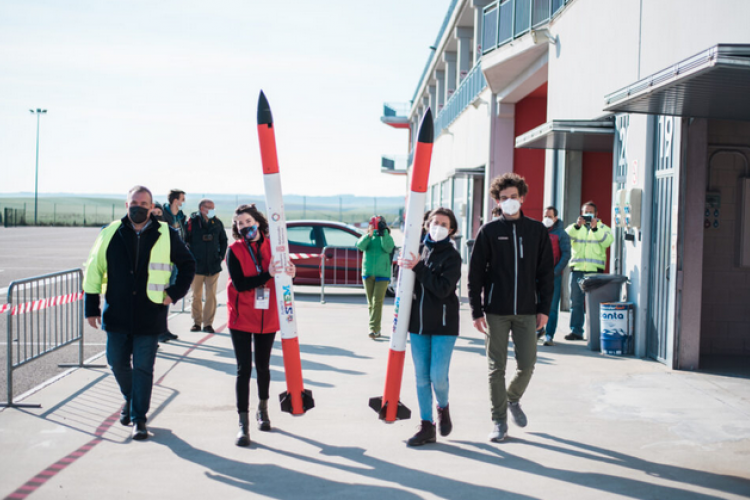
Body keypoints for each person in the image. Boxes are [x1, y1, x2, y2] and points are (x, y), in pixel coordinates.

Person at [83, 186, 195, 441]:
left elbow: (188, 264)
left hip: (150, 313)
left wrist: (174, 292)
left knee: (144, 368)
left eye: (144, 203)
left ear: (151, 206)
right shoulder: (110, 232)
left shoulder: (167, 233)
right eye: (134, 202)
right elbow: (93, 270)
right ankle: (131, 399)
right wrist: (91, 307)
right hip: (117, 314)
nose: (139, 207)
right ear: (126, 205)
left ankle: (139, 419)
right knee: (116, 362)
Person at [467, 173, 554, 443]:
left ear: (522, 198)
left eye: (514, 197)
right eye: (504, 198)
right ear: (497, 201)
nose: (509, 202)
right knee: (496, 368)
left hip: (528, 311)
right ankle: (499, 421)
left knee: (527, 364)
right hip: (496, 311)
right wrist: (476, 311)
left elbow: (546, 274)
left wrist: (544, 309)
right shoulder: (489, 232)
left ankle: (512, 399)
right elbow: (475, 275)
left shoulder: (537, 230)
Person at [226, 204, 295, 447]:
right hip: (242, 316)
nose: (245, 226)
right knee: (244, 369)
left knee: (263, 367)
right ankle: (243, 424)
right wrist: (267, 274)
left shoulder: (275, 246)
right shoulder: (233, 250)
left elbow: (284, 274)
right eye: (240, 223)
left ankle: (262, 411)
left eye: (248, 221)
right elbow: (241, 283)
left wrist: (289, 272)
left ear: (257, 221)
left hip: (268, 316)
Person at [398, 208, 462, 446]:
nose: (438, 226)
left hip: (444, 324)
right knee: (421, 377)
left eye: (444, 223)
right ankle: (427, 426)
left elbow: (443, 288)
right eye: (434, 222)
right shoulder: (416, 250)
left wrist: (418, 268)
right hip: (418, 324)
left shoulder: (452, 257)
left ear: (452, 229)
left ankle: (442, 408)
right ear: (426, 224)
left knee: (438, 376)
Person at [564, 201, 614, 341]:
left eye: (590, 212)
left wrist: (595, 228)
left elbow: (607, 242)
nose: (587, 214)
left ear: (596, 214)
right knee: (576, 302)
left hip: (595, 271)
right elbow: (565, 238)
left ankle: (595, 333)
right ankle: (576, 331)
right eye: (585, 212)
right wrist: (577, 226)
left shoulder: (604, 228)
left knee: (595, 303)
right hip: (577, 270)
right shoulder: (575, 228)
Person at [186, 198, 228, 334]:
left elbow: (223, 240)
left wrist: (221, 256)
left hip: (213, 265)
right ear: (202, 209)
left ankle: (208, 324)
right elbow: (185, 241)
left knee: (211, 296)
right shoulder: (192, 223)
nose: (212, 210)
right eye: (210, 207)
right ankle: (196, 323)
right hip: (197, 265)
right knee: (196, 295)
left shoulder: (217, 223)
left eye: (213, 207)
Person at [356, 215, 395, 339]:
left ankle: (373, 329)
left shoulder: (387, 237)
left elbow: (388, 248)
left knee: (377, 301)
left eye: (379, 224)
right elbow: (360, 246)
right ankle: (375, 328)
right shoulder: (368, 237)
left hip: (382, 274)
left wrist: (384, 234)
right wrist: (369, 234)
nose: (377, 226)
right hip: (367, 273)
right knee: (371, 303)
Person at [537, 206, 571, 346]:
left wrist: (555, 271)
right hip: (537, 275)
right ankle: (537, 330)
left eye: (550, 216)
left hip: (553, 276)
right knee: (536, 304)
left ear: (556, 218)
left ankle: (549, 335)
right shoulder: (538, 231)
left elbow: (566, 254)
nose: (547, 219)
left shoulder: (561, 234)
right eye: (545, 215)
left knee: (551, 306)